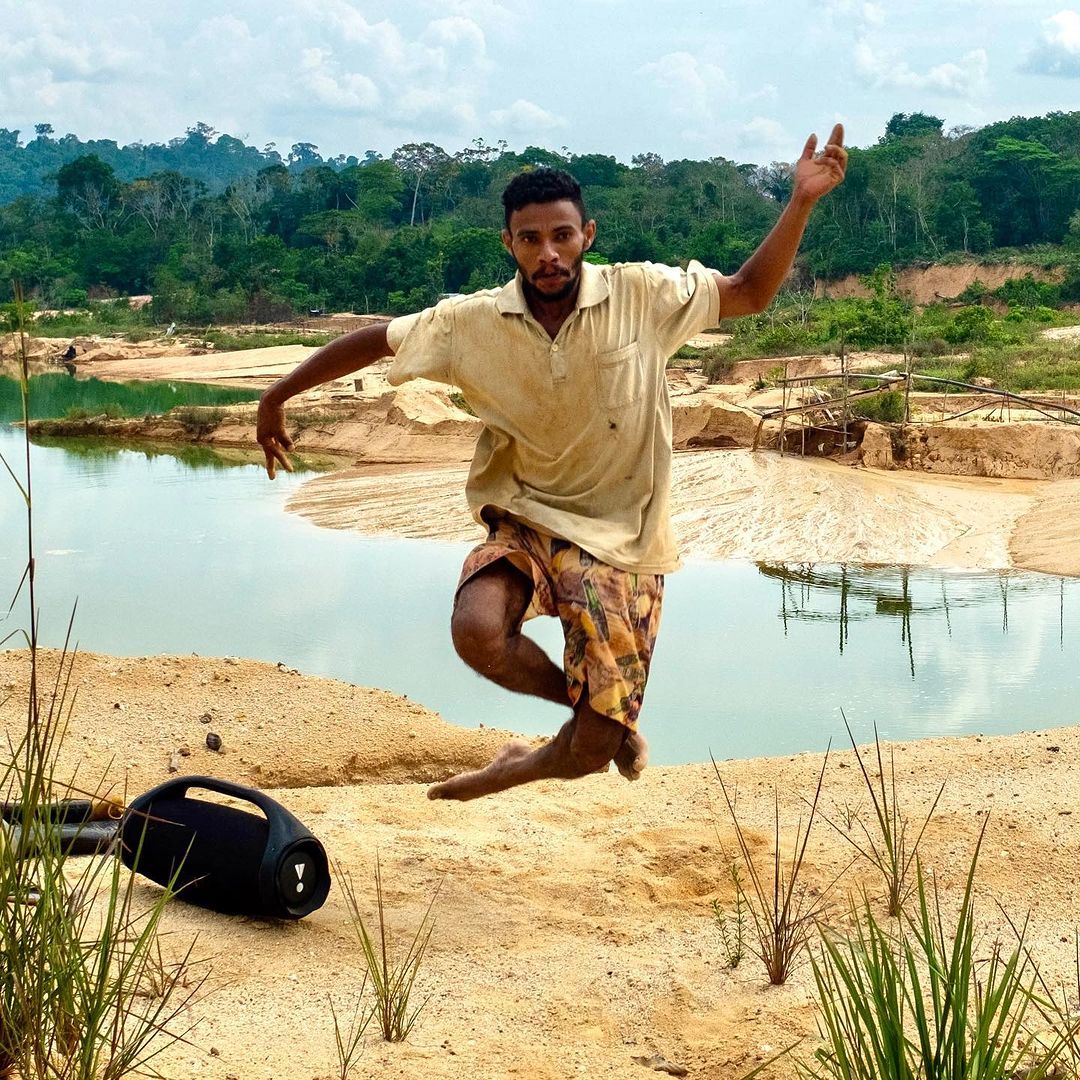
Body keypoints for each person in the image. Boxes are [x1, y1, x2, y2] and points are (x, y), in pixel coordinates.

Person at [257, 125, 848, 802]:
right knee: (477, 630)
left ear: (586, 235)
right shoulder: (470, 323)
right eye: (530, 238)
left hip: (625, 540)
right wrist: (277, 396)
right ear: (508, 244)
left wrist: (800, 201)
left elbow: (749, 291)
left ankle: (526, 760)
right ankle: (594, 706)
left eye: (562, 235)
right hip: (527, 517)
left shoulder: (643, 295)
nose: (548, 254)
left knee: (591, 753)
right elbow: (376, 341)